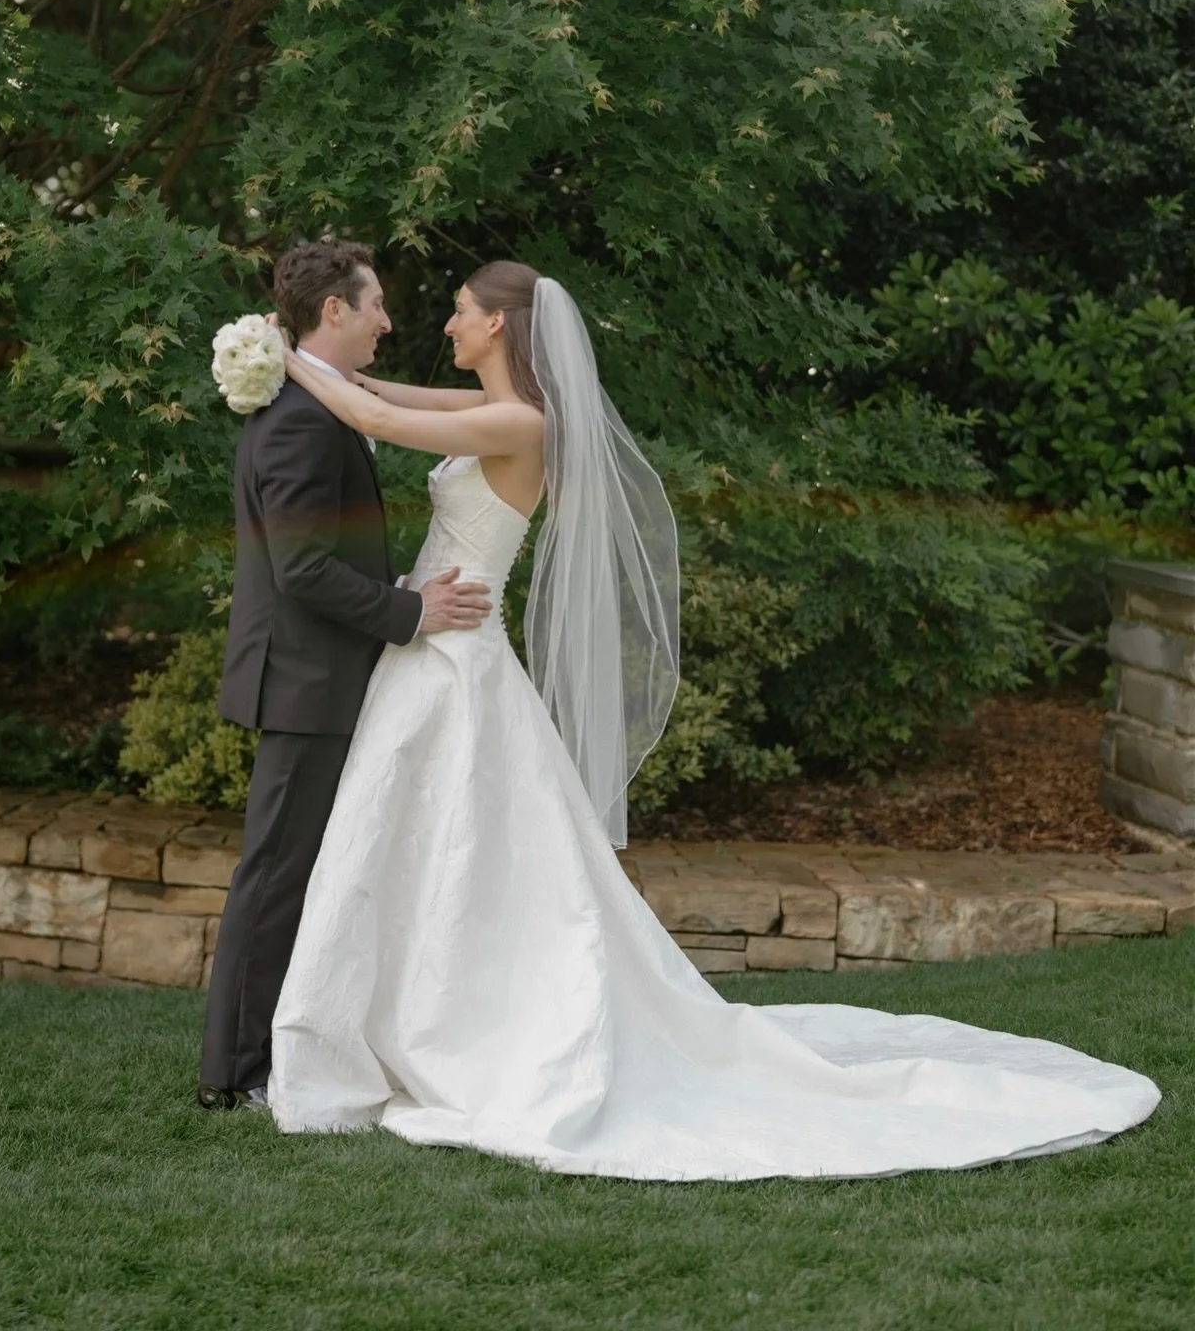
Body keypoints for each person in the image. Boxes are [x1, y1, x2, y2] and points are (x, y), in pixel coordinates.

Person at [261, 259, 1159, 1180]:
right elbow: (378, 390)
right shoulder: (489, 406)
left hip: (458, 660)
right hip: (437, 653)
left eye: (458, 312)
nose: (444, 324)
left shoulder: (522, 421)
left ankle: (460, 1028)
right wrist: (325, 366)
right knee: (431, 847)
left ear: (498, 326)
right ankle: (410, 1021)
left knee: (458, 848)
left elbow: (374, 418)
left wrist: (274, 352)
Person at [198, 240, 492, 1111]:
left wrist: (397, 588)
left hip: (320, 674)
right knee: (275, 875)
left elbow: (326, 557)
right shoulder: (296, 418)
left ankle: (281, 1049)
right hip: (302, 680)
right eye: (375, 307)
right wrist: (411, 615)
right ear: (335, 311)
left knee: (300, 872)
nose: (387, 323)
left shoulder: (320, 405)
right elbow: (301, 571)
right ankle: (234, 1074)